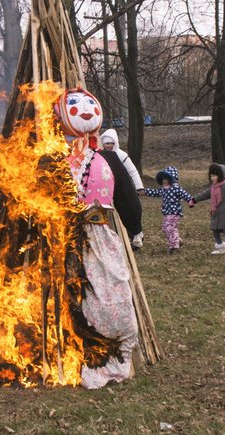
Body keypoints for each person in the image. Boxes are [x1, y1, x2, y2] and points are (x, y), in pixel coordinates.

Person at [55, 88, 144, 389]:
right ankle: (83, 350)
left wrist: (135, 227)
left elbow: (128, 200)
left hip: (98, 236)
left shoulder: (105, 160)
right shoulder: (56, 161)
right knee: (80, 299)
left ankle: (108, 350)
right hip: (69, 239)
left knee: (105, 294)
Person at [100, 128, 145, 250]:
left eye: (111, 143)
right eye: (107, 143)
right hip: (107, 189)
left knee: (131, 207)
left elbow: (133, 171)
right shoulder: (99, 156)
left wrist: (139, 187)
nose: (109, 146)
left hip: (123, 186)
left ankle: (136, 234)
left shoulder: (121, 155)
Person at [139, 166, 193, 253]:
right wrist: (145, 191)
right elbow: (155, 192)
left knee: (170, 227)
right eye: (163, 179)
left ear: (172, 179)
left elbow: (185, 195)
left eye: (166, 179)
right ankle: (177, 240)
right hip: (167, 212)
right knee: (165, 228)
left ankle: (175, 247)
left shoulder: (176, 188)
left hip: (175, 212)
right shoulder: (164, 189)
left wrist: (191, 201)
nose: (164, 181)